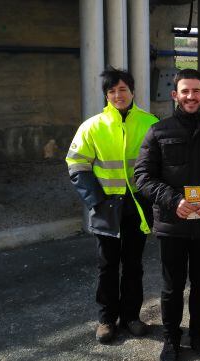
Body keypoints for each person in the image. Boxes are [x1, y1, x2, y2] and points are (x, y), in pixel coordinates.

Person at [134, 69, 200, 361]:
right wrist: (174, 200)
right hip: (173, 225)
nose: (191, 96)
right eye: (185, 91)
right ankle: (171, 338)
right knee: (171, 287)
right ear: (175, 95)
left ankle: (198, 336)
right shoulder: (159, 132)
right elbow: (142, 176)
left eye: (196, 91)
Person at [66, 68, 158, 344]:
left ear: (132, 91)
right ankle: (106, 319)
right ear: (106, 95)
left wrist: (149, 197)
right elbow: (77, 164)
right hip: (106, 206)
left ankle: (131, 317)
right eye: (112, 91)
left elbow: (158, 164)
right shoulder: (92, 126)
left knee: (133, 265)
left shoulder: (150, 123)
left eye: (123, 89)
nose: (118, 95)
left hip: (138, 206)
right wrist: (95, 200)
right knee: (107, 265)